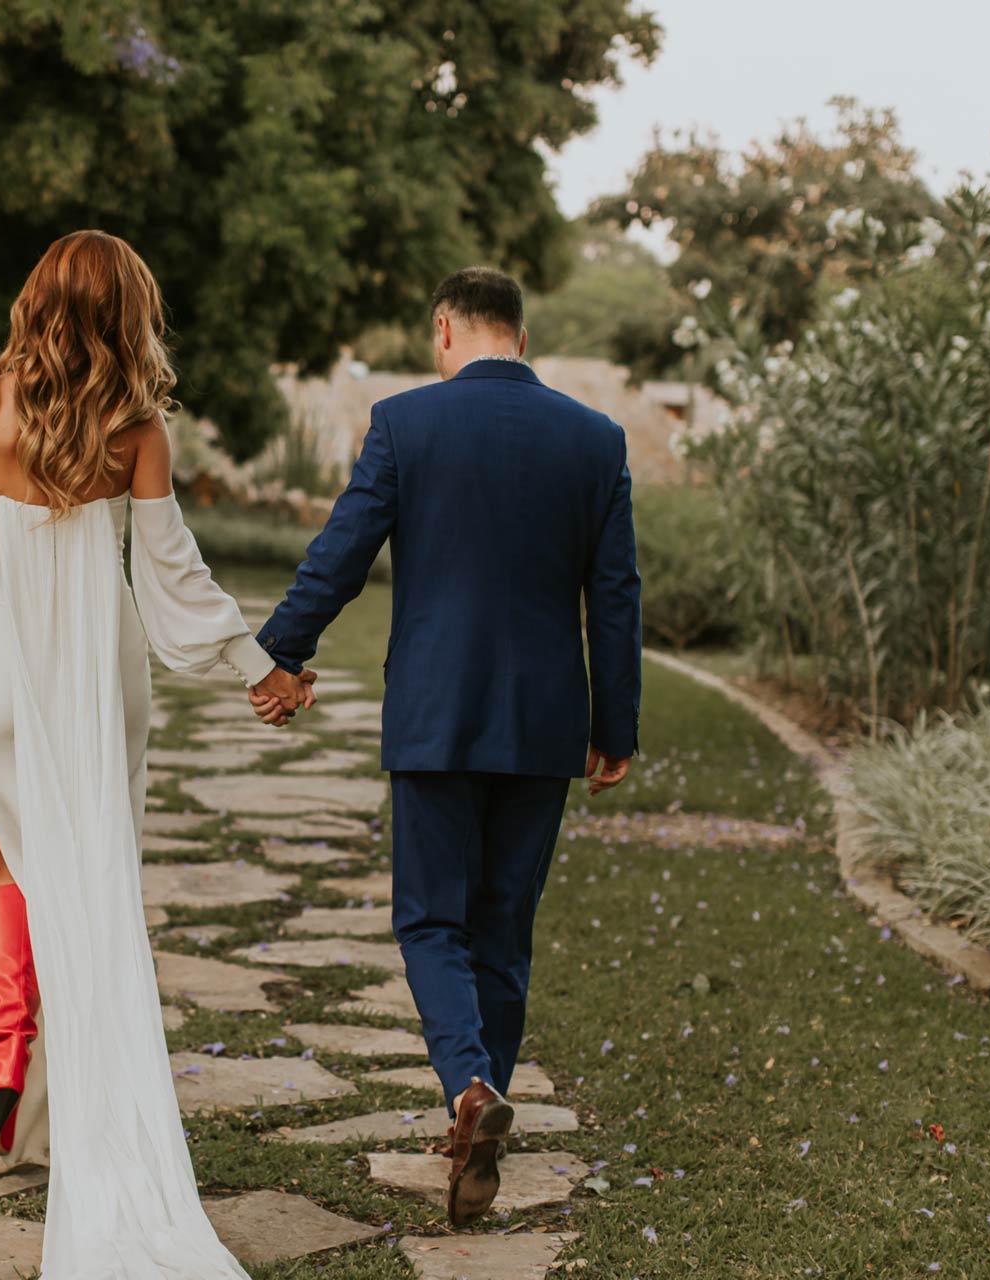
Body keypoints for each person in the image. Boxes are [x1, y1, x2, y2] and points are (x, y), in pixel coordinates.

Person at [0, 229, 306, 1278]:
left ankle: (11, 1076)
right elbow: (172, 573)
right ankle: (70, 1112)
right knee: (95, 891)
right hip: (102, 679)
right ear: (127, 312)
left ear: (36, 302)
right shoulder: (137, 426)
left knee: (15, 869)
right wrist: (257, 663)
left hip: (5, 679)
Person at [247, 265, 643, 1226]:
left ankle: (469, 1090)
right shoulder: (595, 439)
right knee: (503, 927)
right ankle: (481, 1108)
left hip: (435, 712)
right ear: (521, 335)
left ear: (444, 330)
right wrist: (616, 727)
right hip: (544, 722)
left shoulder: (406, 423)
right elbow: (615, 595)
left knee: (431, 921)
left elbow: (342, 552)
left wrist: (281, 652)